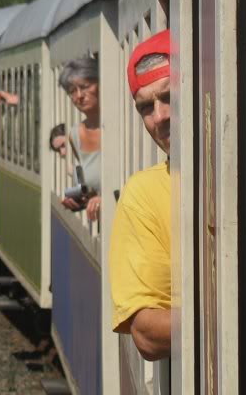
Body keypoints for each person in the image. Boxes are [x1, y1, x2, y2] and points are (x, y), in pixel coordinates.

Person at [109, 29, 172, 361]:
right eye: (146, 107)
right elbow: (146, 332)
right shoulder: (143, 193)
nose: (160, 117)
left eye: (170, 97)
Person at [55, 56, 102, 222]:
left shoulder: (118, 126)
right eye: (72, 91)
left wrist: (106, 200)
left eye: (85, 86)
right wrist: (78, 199)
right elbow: (88, 188)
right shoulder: (75, 135)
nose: (79, 96)